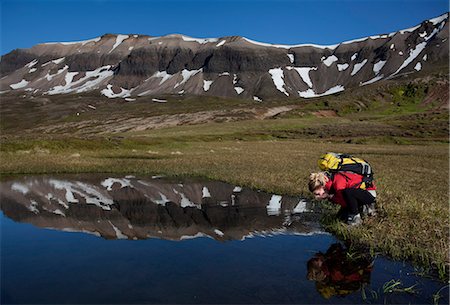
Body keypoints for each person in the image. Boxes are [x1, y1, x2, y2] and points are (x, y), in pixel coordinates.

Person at [306, 243, 373, 299]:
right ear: (320, 268)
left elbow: (337, 246)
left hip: (357, 267)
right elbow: (364, 265)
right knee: (346, 269)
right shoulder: (336, 272)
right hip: (360, 268)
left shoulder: (328, 264)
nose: (318, 258)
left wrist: (327, 255)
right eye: (317, 260)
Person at [308, 171, 376, 225]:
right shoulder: (330, 185)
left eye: (317, 193)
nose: (317, 196)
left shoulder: (338, 182)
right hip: (358, 194)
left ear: (321, 187)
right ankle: (361, 208)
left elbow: (345, 202)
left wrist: (330, 196)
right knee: (340, 218)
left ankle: (356, 217)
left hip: (369, 194)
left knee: (348, 192)